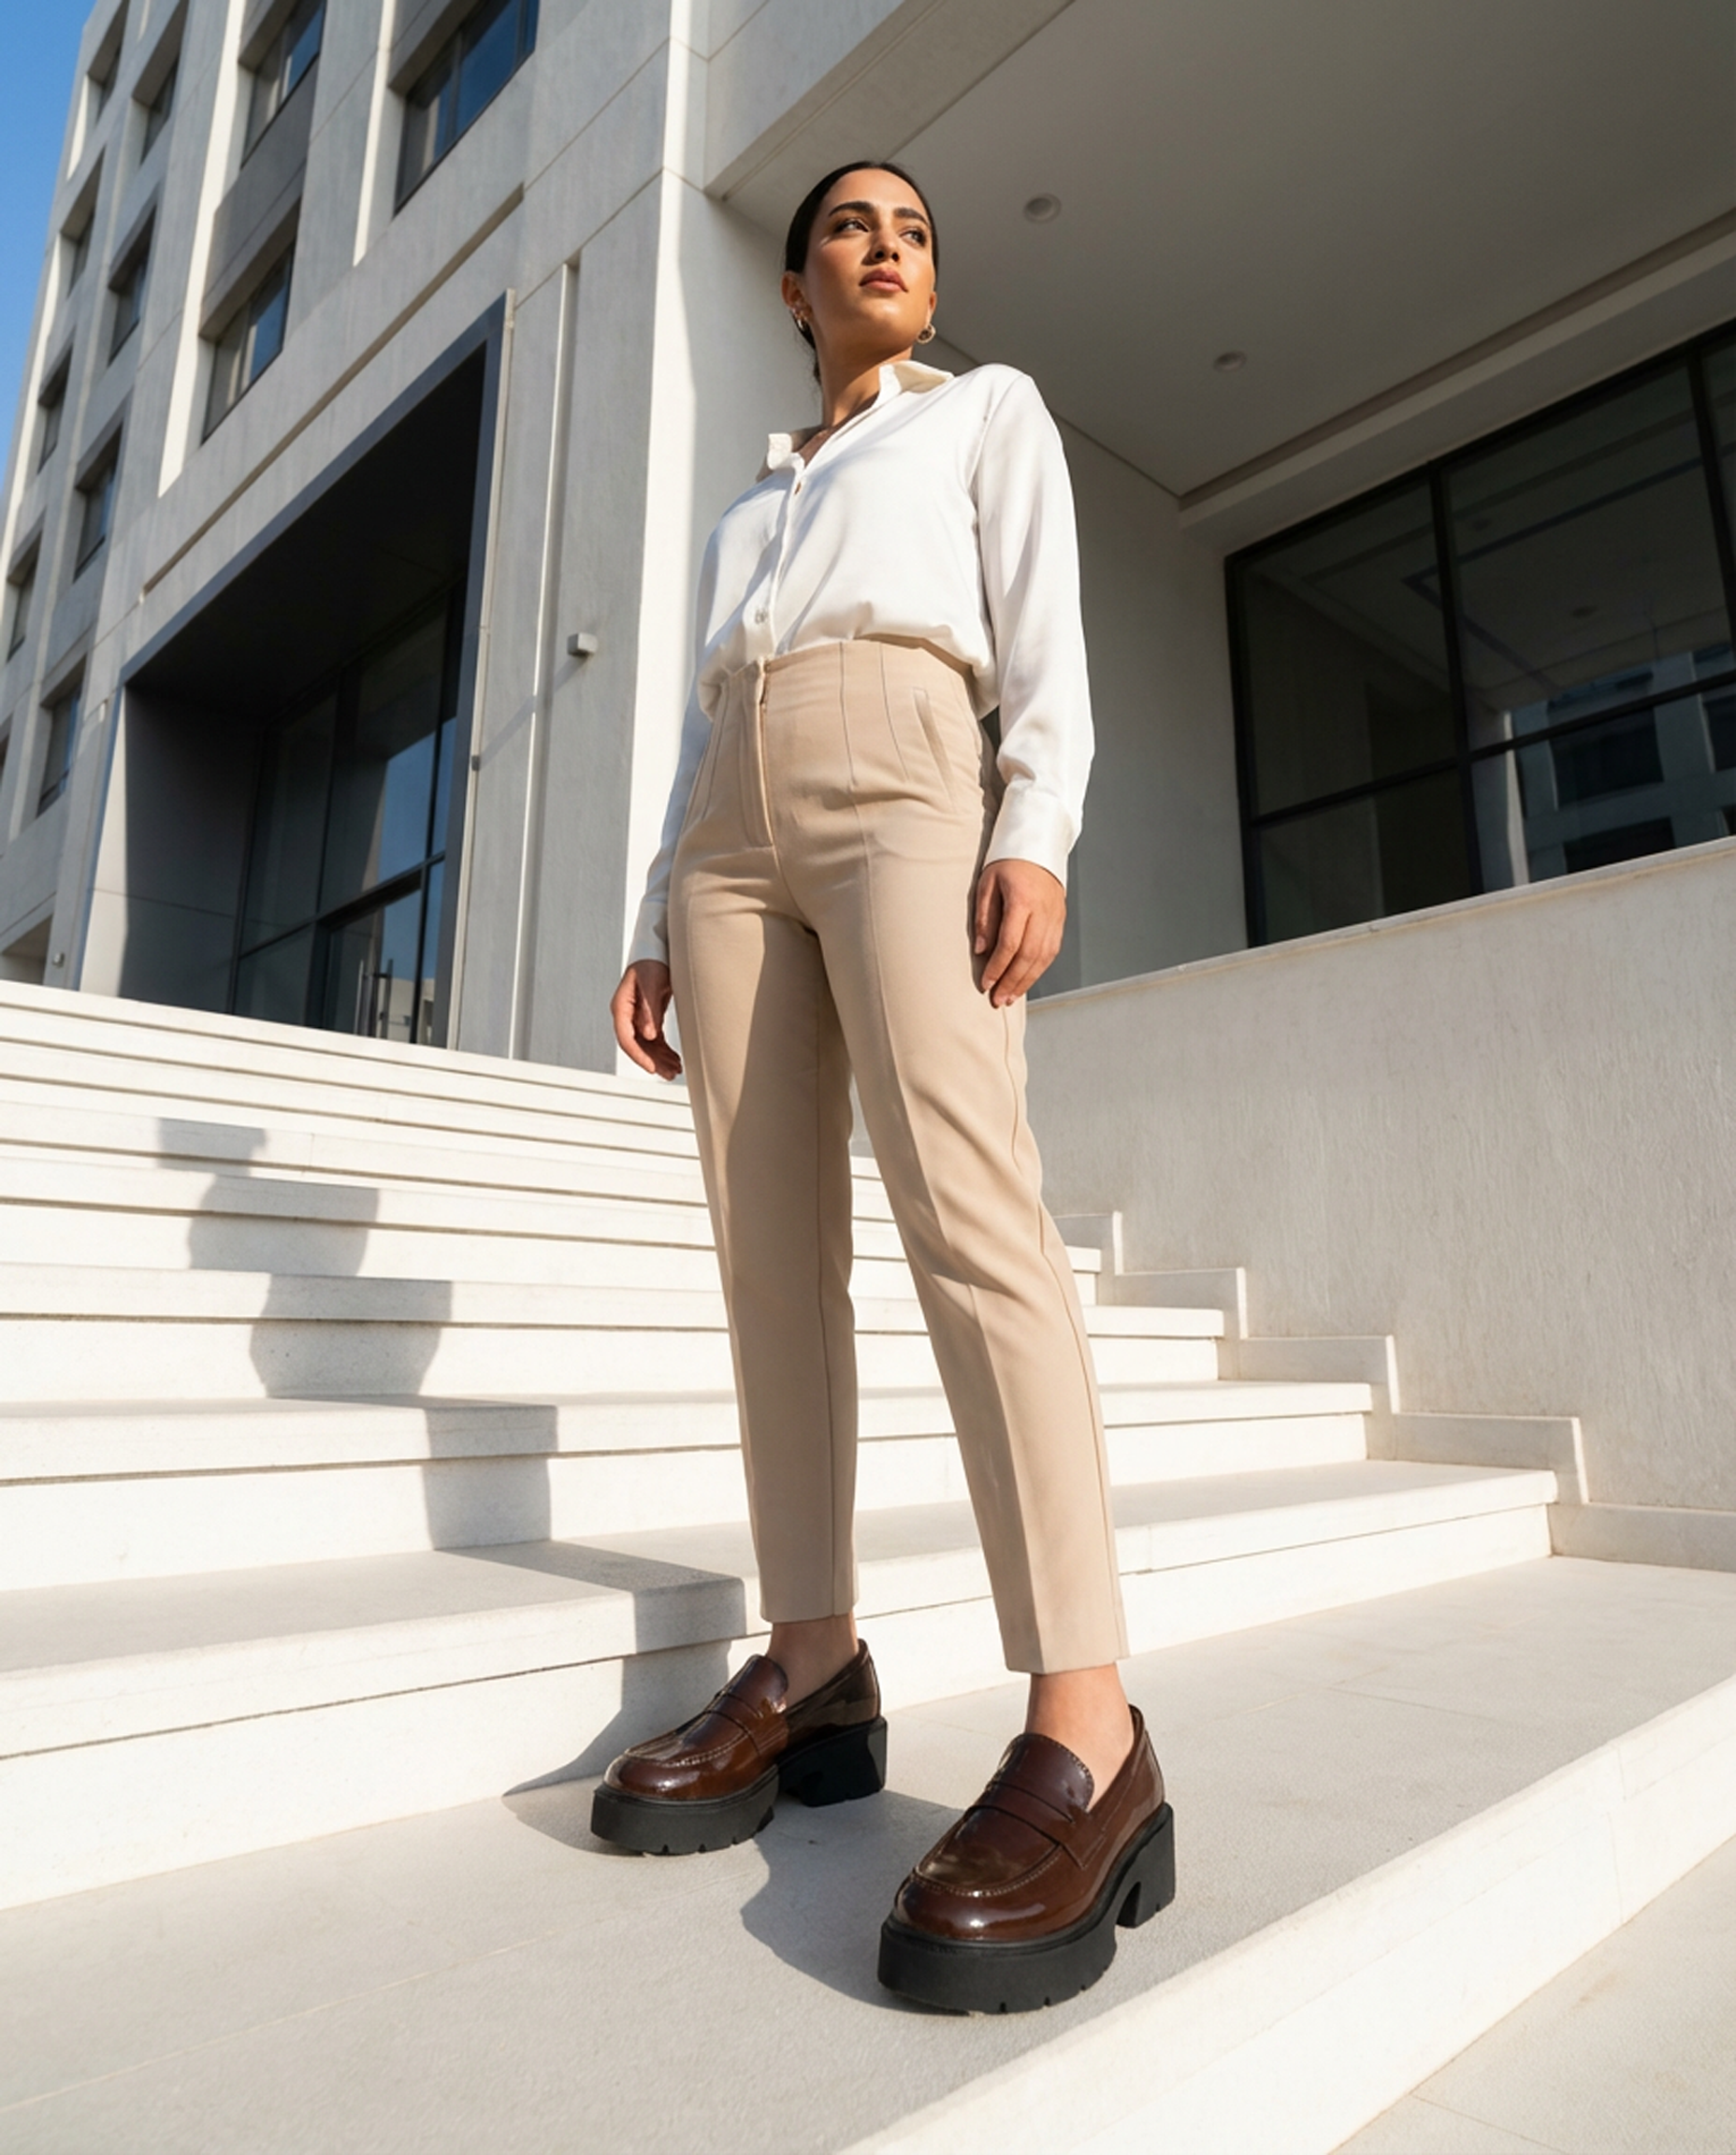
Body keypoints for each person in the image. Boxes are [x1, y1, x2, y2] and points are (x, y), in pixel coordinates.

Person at [591, 159, 1173, 2013]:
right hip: (735, 831)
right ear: (793, 286)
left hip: (913, 763)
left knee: (967, 1210)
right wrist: (655, 914)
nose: (887, 246)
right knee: (770, 1262)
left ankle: (1089, 1722)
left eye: (913, 229)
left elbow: (1045, 644)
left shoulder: (984, 417)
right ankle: (814, 1662)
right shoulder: (749, 513)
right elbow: (703, 729)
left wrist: (1040, 825)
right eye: (851, 226)